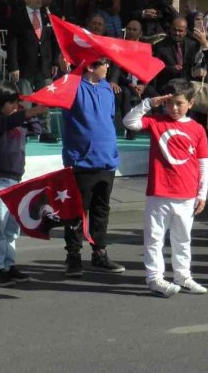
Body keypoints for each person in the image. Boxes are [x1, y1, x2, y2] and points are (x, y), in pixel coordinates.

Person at [123, 79, 208, 297]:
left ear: (190, 103)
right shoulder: (156, 122)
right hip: (159, 192)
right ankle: (154, 278)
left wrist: (202, 194)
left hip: (187, 194)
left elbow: (203, 164)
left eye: (180, 103)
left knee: (183, 238)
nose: (174, 108)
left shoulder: (197, 129)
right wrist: (149, 103)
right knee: (154, 237)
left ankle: (183, 276)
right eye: (170, 103)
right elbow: (129, 122)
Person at [61, 58, 125, 277]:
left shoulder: (107, 88)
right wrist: (64, 70)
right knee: (77, 214)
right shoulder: (73, 86)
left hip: (106, 161)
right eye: (103, 64)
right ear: (90, 66)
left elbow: (108, 118)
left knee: (101, 211)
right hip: (81, 163)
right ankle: (73, 257)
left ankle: (99, 253)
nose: (107, 67)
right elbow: (57, 89)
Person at [0, 82, 46, 286]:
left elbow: (36, 129)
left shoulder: (19, 120)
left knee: (12, 227)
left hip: (16, 179)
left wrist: (33, 113)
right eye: (11, 103)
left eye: (16, 103)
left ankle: (9, 265)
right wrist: (29, 112)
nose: (14, 107)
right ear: (0, 103)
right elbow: (10, 121)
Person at [7, 0, 59, 143]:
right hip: (25, 65)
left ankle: (45, 131)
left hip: (44, 65)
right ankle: (26, 130)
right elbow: (12, 44)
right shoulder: (17, 17)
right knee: (26, 100)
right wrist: (14, 66)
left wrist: (55, 61)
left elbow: (53, 41)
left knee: (45, 100)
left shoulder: (47, 16)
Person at [152, 17, 202, 89]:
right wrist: (171, 69)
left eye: (180, 31)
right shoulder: (160, 46)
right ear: (170, 29)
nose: (176, 33)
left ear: (185, 32)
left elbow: (197, 64)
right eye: (174, 30)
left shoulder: (193, 45)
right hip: (167, 85)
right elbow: (155, 67)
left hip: (188, 85)